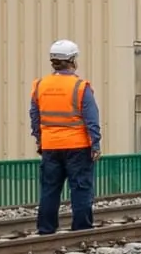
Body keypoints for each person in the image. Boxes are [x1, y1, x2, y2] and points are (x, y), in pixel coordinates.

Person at [31, 40, 102, 233]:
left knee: (49, 189)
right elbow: (91, 119)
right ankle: (81, 229)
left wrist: (40, 140)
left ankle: (46, 229)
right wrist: (95, 144)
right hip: (78, 146)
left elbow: (35, 116)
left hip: (50, 146)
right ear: (72, 60)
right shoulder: (80, 86)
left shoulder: (40, 85)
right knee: (80, 188)